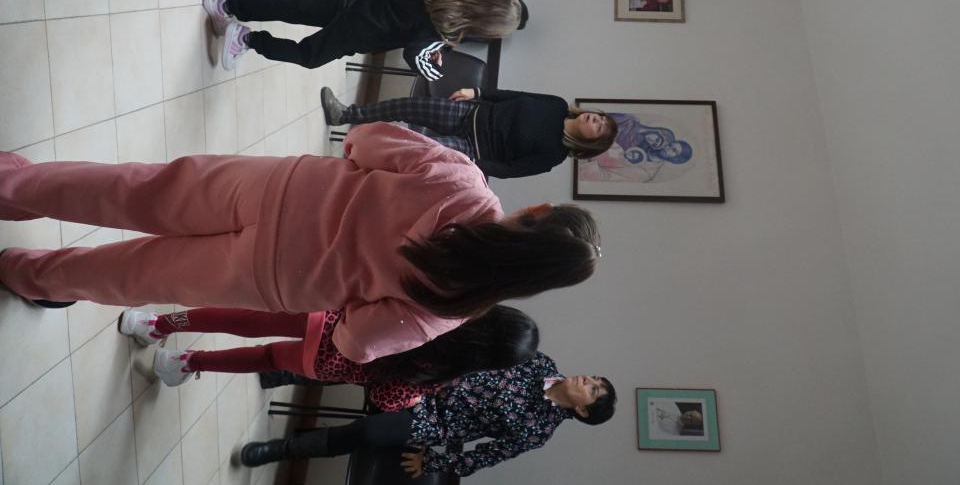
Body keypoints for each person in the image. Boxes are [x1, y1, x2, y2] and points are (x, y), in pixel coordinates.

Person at [0, 123, 600, 365]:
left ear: (536, 212)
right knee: (136, 275)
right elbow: (357, 343)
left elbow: (365, 139)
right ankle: (27, 274)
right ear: (534, 282)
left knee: (136, 190)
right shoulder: (453, 304)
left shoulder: (462, 180)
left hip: (272, 189)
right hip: (271, 275)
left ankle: (14, 187)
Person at [237, 352, 617, 477]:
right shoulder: (540, 362)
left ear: (582, 410)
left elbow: (486, 456)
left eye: (593, 389)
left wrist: (434, 461)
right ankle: (286, 373)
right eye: (595, 379)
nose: (588, 380)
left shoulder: (537, 431)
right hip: (437, 371)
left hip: (434, 418)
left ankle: (281, 450)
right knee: (375, 360)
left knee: (368, 433)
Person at [119, 304, 537, 398]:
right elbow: (386, 397)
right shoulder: (443, 375)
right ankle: (186, 361)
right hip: (328, 361)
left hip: (335, 318)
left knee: (246, 320)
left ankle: (157, 325)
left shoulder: (445, 307)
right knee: (266, 357)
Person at [201, 0, 527, 73]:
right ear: (484, 25)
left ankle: (227, 4)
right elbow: (415, 56)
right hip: (356, 32)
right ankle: (245, 38)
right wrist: (435, 63)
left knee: (293, 7)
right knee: (308, 56)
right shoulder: (440, 31)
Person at [321, 86, 616, 179]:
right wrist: (477, 92)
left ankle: (347, 168)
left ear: (591, 143)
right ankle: (345, 115)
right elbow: (514, 95)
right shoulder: (557, 104)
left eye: (599, 127)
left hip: (471, 149)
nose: (596, 119)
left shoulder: (554, 155)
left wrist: (472, 163)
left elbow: (509, 170)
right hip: (470, 113)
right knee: (407, 106)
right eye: (600, 117)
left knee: (407, 146)